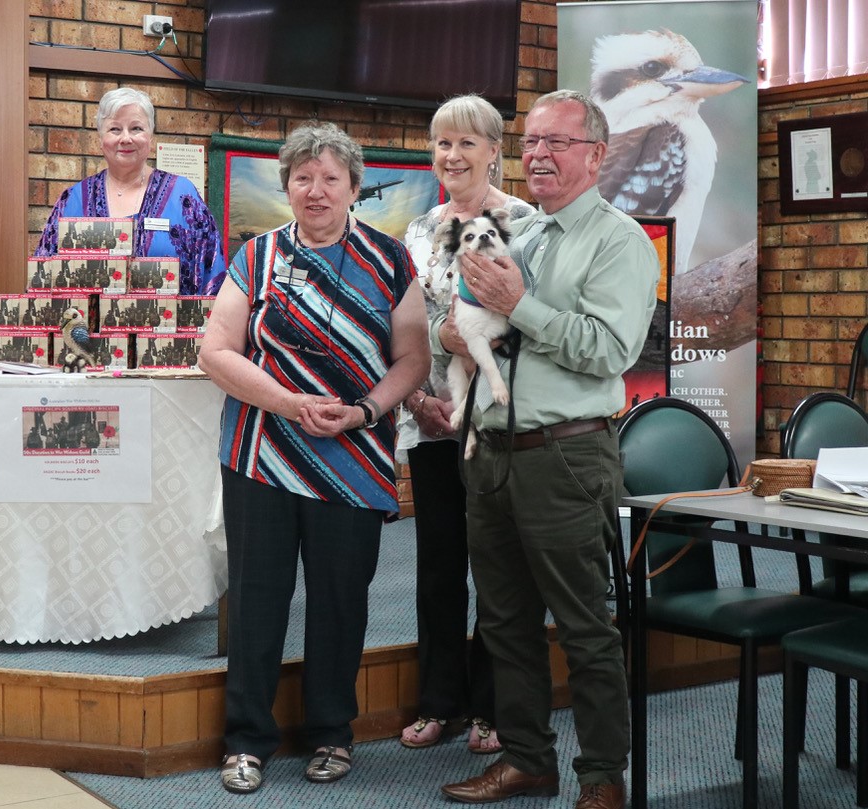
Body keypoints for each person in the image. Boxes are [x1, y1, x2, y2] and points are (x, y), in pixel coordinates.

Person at [436, 90, 657, 809]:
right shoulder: (519, 235)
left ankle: (602, 778)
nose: (538, 155)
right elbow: (476, 321)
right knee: (503, 620)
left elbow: (608, 351)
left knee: (586, 627)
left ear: (596, 155)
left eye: (556, 143)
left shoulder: (619, 240)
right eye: (530, 142)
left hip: (565, 456)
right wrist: (456, 330)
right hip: (491, 453)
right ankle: (527, 757)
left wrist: (517, 304)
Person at [199, 122, 429, 795]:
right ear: (288, 185)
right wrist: (287, 402)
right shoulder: (257, 255)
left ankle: (331, 731)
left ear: (355, 188)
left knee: (339, 600)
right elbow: (216, 350)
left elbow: (413, 357)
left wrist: (363, 411)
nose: (316, 189)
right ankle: (246, 740)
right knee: (257, 598)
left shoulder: (390, 260)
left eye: (331, 178)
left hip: (353, 455)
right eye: (303, 177)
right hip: (261, 451)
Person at [397, 95, 536, 755]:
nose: (451, 156)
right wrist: (419, 399)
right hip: (432, 421)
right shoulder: (418, 229)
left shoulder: (525, 223)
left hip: (499, 422)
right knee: (439, 567)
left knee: (500, 572)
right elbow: (407, 327)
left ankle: (492, 708)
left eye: (465, 143)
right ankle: (439, 702)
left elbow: (529, 327)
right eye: (442, 144)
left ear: (493, 151)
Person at [34, 86, 227, 295]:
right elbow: (43, 281)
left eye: (136, 128)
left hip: (170, 326)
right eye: (115, 129)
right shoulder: (72, 200)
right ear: (100, 140)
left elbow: (212, 278)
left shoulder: (183, 197)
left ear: (150, 137)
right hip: (84, 328)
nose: (126, 138)